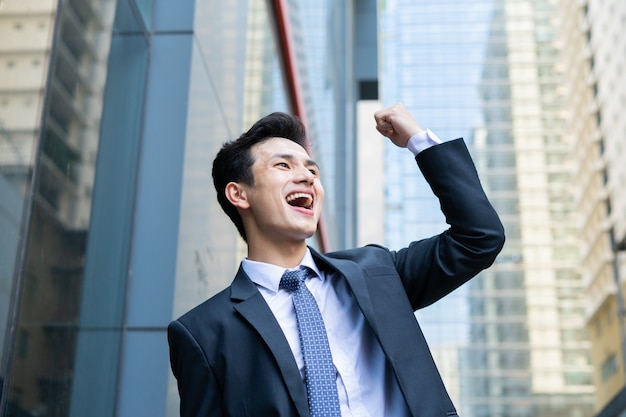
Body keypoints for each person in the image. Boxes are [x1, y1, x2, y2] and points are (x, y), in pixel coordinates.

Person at [168, 103, 505, 417]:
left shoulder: (376, 272)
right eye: (283, 165)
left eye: (311, 170)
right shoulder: (203, 332)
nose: (307, 177)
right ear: (239, 194)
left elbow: (479, 237)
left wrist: (420, 142)